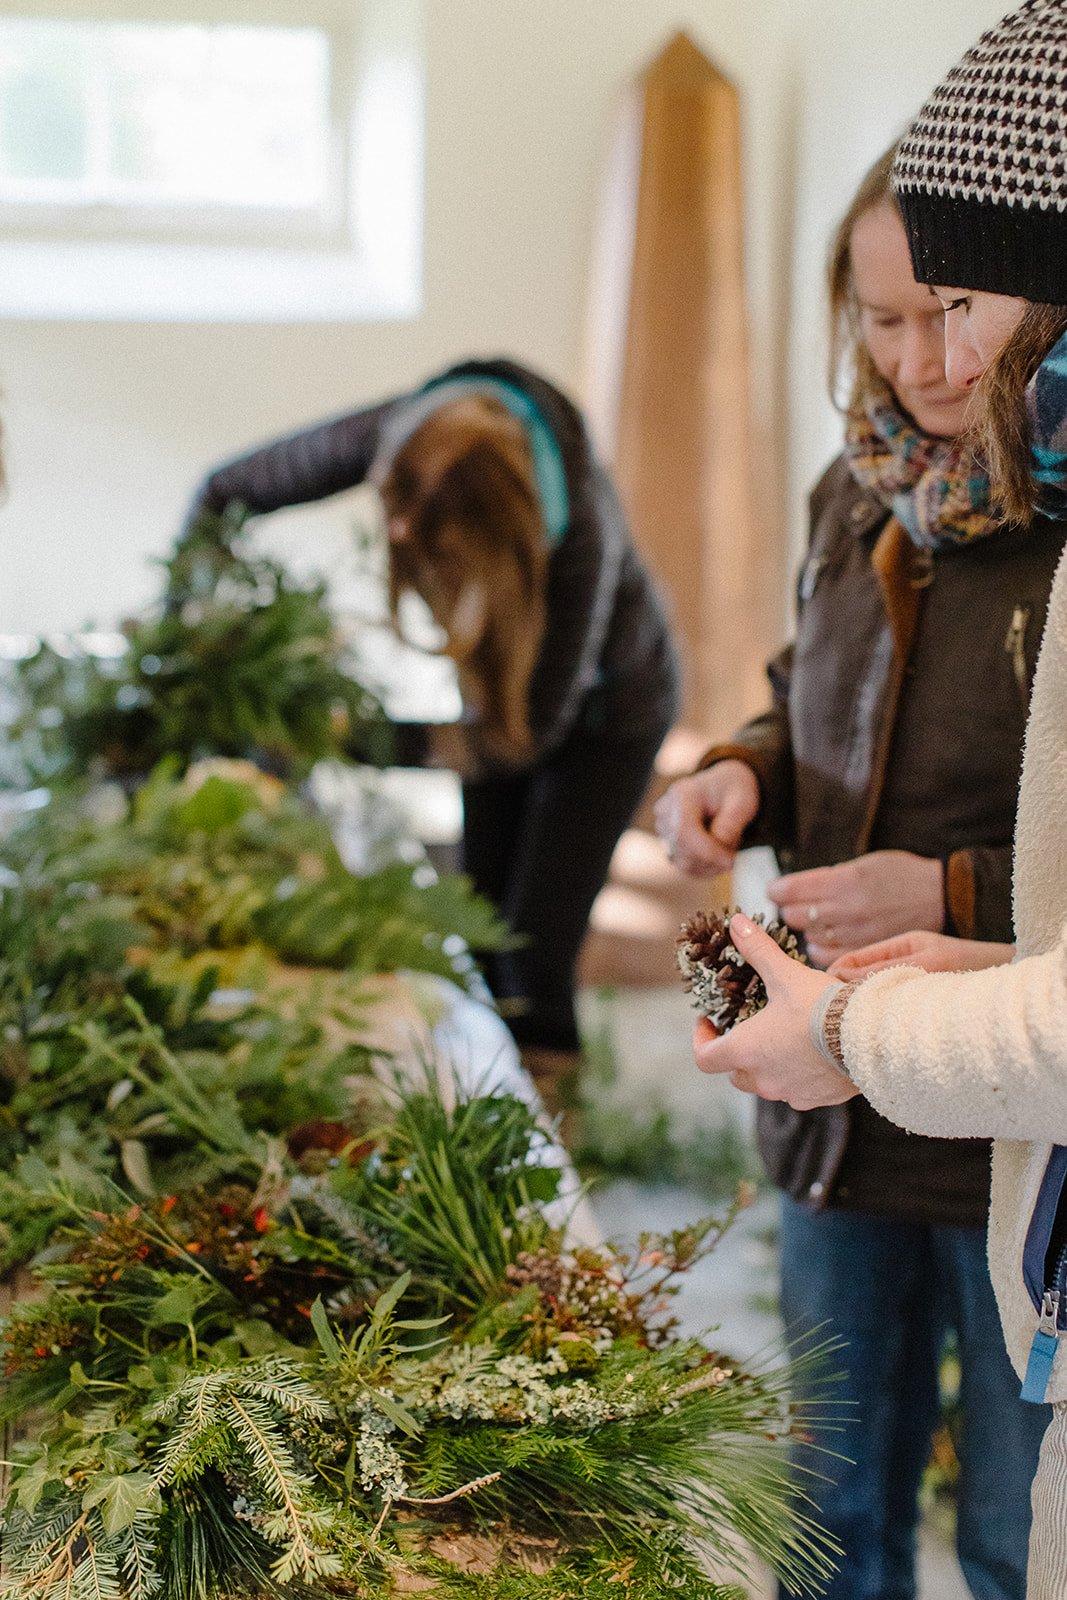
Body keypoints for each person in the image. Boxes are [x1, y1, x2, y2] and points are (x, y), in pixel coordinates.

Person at [688, 3, 1067, 1592]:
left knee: (1007, 1518)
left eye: (951, 308)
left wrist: (947, 896)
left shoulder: (1052, 522)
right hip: (828, 1102)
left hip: (989, 1100)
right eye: (887, 319)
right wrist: (737, 770)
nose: (929, 360)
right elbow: (807, 688)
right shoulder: (849, 496)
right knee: (823, 1502)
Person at [184, 357, 679, 1078]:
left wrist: (337, 734)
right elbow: (224, 491)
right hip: (503, 705)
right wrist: (191, 627)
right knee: (475, 924)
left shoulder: (580, 541)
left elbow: (518, 742)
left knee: (532, 953)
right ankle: (486, 1093)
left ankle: (553, 1137)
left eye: (432, 531)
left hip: (611, 717)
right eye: (394, 502)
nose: (398, 527)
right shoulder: (412, 437)